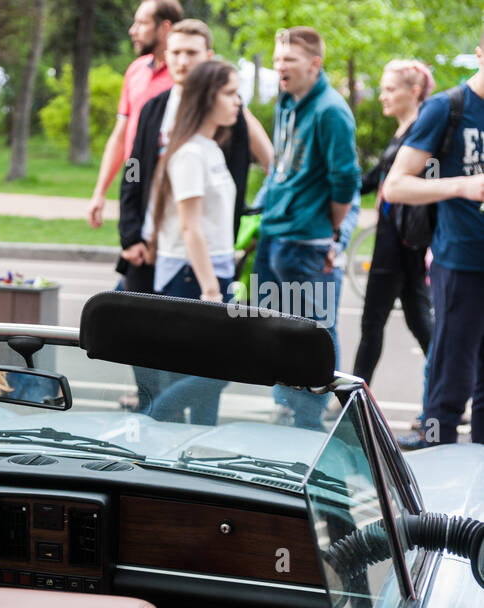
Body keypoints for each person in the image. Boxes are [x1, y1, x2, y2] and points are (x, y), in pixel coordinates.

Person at [117, 18, 272, 413]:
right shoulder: (158, 111)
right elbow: (135, 172)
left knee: (200, 367)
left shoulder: (227, 125)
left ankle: (171, 428)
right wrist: (132, 235)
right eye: (176, 52)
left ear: (208, 58)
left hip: (207, 260)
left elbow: (270, 161)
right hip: (168, 254)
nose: (182, 60)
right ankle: (155, 417)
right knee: (150, 348)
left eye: (192, 53)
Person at [252, 26, 361, 431]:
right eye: (278, 58)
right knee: (274, 323)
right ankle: (287, 403)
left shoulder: (331, 110)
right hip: (274, 233)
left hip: (305, 240)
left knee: (312, 329)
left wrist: (330, 230)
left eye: (290, 60)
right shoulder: (286, 100)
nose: (281, 66)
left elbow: (345, 180)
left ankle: (311, 418)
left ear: (315, 64)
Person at [384, 27, 484, 447]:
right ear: (480, 52)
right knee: (448, 388)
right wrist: (461, 186)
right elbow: (395, 187)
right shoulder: (448, 107)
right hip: (460, 264)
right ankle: (435, 479)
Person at [145, 60, 243, 425]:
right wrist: (210, 289)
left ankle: (195, 461)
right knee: (219, 370)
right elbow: (190, 227)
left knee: (205, 381)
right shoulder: (188, 154)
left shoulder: (211, 149)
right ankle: (150, 420)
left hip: (212, 272)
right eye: (230, 94)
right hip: (191, 278)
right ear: (207, 97)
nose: (238, 102)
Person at [351, 60, 437, 387]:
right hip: (401, 245)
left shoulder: (419, 133)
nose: (383, 96)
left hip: (398, 246)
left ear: (414, 92)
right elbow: (373, 180)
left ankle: (352, 404)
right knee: (420, 325)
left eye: (390, 89)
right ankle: (457, 389)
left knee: (372, 324)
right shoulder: (404, 132)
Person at [86, 0, 183, 231]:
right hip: (134, 170)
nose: (132, 30)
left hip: (171, 178)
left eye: (141, 23)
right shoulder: (136, 70)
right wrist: (100, 192)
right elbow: (121, 135)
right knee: (132, 248)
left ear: (165, 27)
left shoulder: (186, 73)